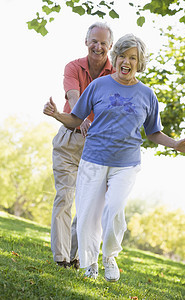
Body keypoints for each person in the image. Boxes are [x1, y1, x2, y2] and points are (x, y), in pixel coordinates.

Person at [43, 33, 185, 281]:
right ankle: (89, 264)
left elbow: (153, 132)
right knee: (87, 216)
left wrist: (176, 145)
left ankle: (109, 256)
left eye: (133, 58)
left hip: (126, 163)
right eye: (123, 56)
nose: (127, 62)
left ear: (139, 63)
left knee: (114, 209)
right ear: (115, 59)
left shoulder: (147, 95)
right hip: (93, 158)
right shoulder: (98, 86)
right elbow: (76, 117)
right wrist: (56, 115)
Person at [50, 22, 114, 269]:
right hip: (70, 137)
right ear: (86, 42)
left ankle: (74, 255)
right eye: (94, 41)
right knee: (65, 196)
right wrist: (83, 117)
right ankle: (61, 258)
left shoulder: (116, 72)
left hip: (97, 146)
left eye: (103, 43)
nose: (98, 47)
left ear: (110, 46)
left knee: (89, 204)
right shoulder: (73, 67)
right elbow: (74, 95)